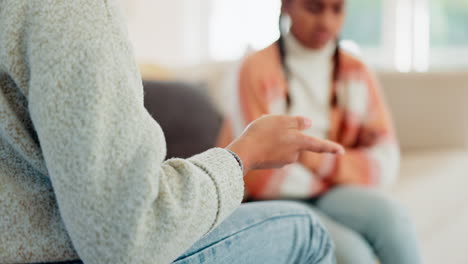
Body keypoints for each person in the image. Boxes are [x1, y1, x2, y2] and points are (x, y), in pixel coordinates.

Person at [0, 1, 347, 264]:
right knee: (307, 229)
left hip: (340, 187)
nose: (326, 21)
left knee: (380, 217)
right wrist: (244, 156)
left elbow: (383, 155)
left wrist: (330, 175)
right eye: (316, 6)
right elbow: (123, 235)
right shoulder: (73, 14)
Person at [218, 0, 422, 263]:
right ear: (286, 6)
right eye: (314, 8)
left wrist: (312, 158)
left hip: (330, 191)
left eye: (337, 9)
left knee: (393, 218)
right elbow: (258, 173)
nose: (326, 22)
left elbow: (385, 161)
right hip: (271, 197)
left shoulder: (357, 72)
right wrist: (347, 165)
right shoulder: (255, 69)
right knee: (354, 255)